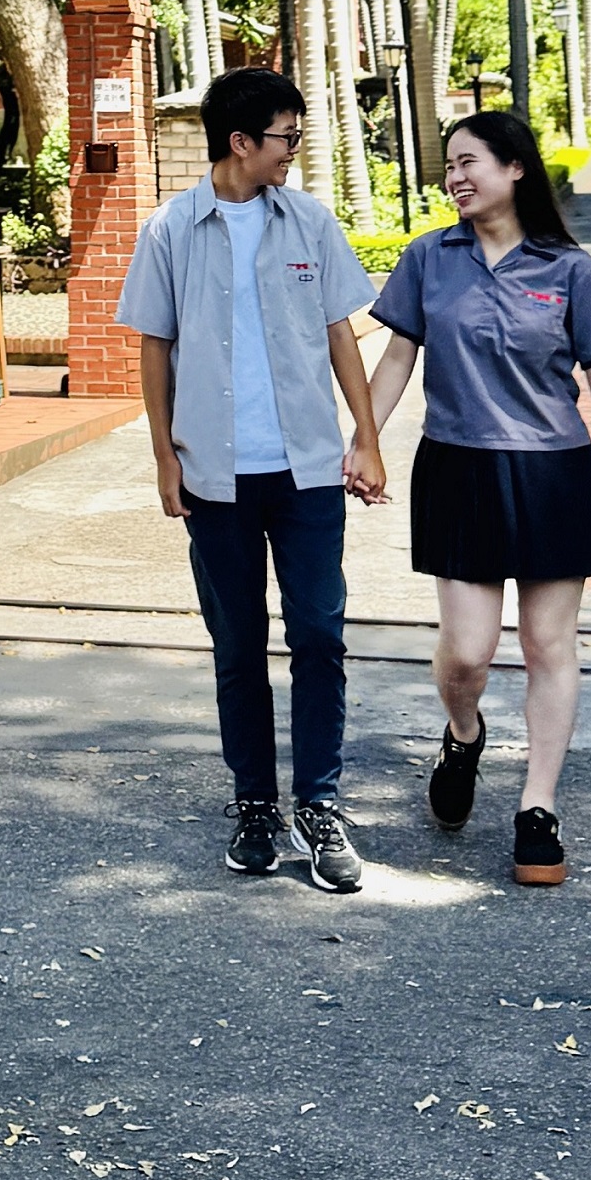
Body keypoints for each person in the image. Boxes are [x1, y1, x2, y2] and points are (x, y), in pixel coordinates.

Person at [366, 109, 591, 887]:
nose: (455, 177)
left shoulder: (570, 270)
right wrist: (362, 440)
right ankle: (464, 734)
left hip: (556, 475)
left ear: (515, 168)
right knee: (467, 653)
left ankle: (538, 809)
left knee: (546, 646)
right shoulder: (430, 258)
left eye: (469, 162)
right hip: (458, 470)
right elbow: (396, 359)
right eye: (448, 167)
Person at [117, 68, 387, 893]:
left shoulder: (308, 220)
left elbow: (343, 334)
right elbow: (153, 345)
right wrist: (165, 458)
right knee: (237, 649)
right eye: (285, 137)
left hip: (307, 471)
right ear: (241, 142)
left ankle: (320, 804)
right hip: (214, 478)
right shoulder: (170, 230)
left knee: (319, 639)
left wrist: (366, 439)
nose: (293, 151)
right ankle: (254, 804)